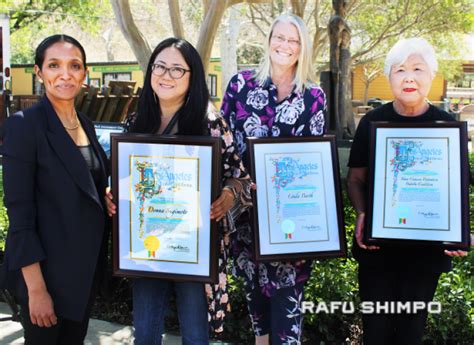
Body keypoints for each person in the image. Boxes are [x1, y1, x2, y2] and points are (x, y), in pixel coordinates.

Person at [105, 37, 251, 345]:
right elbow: (125, 176)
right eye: (160, 66)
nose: (166, 75)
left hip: (193, 247)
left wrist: (227, 196)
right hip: (147, 244)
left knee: (195, 336)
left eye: (176, 69)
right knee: (144, 333)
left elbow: (239, 176)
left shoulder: (210, 122)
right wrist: (113, 192)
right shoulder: (137, 118)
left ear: (192, 76)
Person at [347, 37, 468, 345]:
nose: (409, 77)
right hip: (378, 251)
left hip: (424, 255)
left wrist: (457, 232)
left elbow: (454, 189)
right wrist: (362, 213)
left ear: (432, 75)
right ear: (390, 77)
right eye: (400, 70)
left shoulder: (447, 123)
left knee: (410, 335)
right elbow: (356, 179)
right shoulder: (372, 121)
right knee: (376, 334)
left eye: (418, 68)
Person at [220, 14, 327, 344]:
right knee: (260, 324)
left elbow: (315, 165)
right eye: (279, 37)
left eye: (293, 40)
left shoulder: (313, 97)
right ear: (268, 41)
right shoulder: (240, 86)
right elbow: (223, 147)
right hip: (248, 223)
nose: (285, 45)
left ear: (303, 47)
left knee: (287, 325)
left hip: (292, 228)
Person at [0, 35, 109, 344]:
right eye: (54, 65)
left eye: (74, 65)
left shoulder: (86, 123)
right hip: (46, 278)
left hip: (82, 275)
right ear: (39, 72)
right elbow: (19, 216)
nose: (65, 74)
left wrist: (109, 196)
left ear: (84, 73)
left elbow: (89, 186)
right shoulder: (24, 125)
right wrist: (36, 291)